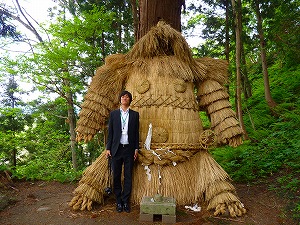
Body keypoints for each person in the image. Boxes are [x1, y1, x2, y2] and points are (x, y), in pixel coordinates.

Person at [105, 90, 139, 213]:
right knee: (116, 175)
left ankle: (125, 201)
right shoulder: (113, 114)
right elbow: (111, 133)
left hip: (129, 149)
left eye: (127, 97)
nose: (125, 98)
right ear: (120, 99)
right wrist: (108, 148)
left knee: (128, 176)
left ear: (130, 100)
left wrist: (136, 149)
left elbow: (136, 133)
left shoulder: (135, 115)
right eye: (123, 96)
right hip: (116, 149)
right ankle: (118, 201)